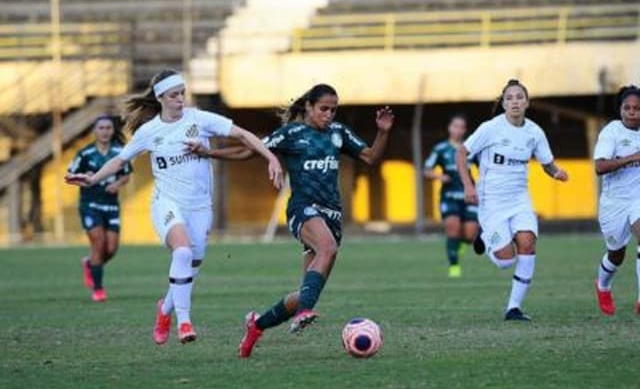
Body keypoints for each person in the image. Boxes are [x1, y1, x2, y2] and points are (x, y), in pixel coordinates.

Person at [66, 69, 283, 344]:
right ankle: (184, 322)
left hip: (200, 206)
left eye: (182, 93)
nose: (180, 99)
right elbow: (120, 161)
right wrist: (93, 178)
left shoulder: (200, 119)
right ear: (160, 98)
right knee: (181, 252)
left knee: (191, 265)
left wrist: (270, 158)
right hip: (167, 203)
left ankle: (164, 309)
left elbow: (243, 135)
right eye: (174, 95)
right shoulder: (149, 132)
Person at [190, 83, 394, 358]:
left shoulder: (338, 133)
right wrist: (208, 153)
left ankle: (257, 325)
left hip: (332, 215)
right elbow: (248, 151)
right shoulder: (291, 134)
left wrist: (382, 132)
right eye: (323, 109)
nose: (329, 115)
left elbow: (370, 156)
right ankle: (305, 313)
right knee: (327, 249)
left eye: (333, 110)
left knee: (303, 292)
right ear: (309, 107)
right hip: (303, 209)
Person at [456, 78, 569, 321]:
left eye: (519, 97)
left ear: (527, 102)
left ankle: (513, 308)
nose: (515, 102)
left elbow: (547, 163)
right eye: (509, 98)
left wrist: (557, 172)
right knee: (506, 261)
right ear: (504, 103)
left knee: (528, 244)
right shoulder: (490, 128)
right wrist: (468, 185)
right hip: (492, 202)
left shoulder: (534, 132)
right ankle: (485, 237)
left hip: (520, 200)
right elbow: (462, 153)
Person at [68, 115, 132, 302]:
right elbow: (70, 175)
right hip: (90, 204)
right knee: (99, 243)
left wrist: (117, 184)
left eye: (108, 128)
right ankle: (98, 289)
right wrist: (82, 176)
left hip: (111, 205)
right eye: (101, 128)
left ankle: (89, 263)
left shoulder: (120, 152)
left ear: (113, 131)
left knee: (111, 249)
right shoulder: (85, 154)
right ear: (94, 131)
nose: (105, 131)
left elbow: (126, 175)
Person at [593, 85, 640, 316]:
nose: (632, 112)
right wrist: (632, 158)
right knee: (616, 254)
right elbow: (599, 167)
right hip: (614, 202)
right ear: (620, 110)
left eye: (637, 108)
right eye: (627, 108)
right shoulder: (611, 132)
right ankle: (602, 285)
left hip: (637, 199)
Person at [424, 114, 478, 278]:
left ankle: (461, 244)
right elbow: (426, 170)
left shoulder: (471, 149)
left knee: (469, 236)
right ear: (449, 128)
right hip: (449, 196)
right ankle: (454, 267)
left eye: (461, 127)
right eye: (455, 126)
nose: (457, 130)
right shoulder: (441, 149)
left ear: (465, 130)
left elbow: (485, 168)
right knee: (453, 230)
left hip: (468, 196)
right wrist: (440, 177)